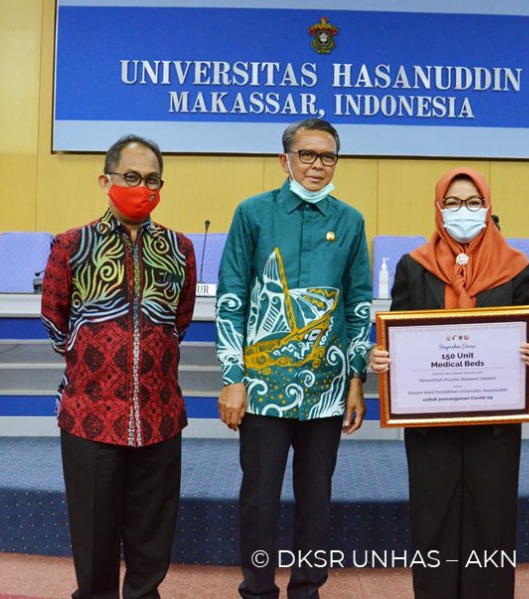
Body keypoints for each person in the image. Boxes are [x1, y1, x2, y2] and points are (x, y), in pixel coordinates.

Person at [369, 168, 529, 599]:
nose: (462, 211)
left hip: (495, 423)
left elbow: (525, 330)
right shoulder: (414, 266)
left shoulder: (514, 267)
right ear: (438, 208)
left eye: (472, 203)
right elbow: (398, 333)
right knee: (433, 518)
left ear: (487, 207)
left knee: (492, 517)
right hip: (431, 423)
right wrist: (382, 357)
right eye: (452, 203)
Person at [216, 117, 373, 599]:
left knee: (316, 501)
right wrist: (233, 376)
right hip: (263, 388)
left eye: (328, 157)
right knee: (259, 500)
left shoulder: (350, 221)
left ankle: (307, 588)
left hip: (326, 391)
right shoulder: (253, 213)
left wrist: (356, 378)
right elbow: (231, 297)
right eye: (307, 155)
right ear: (285, 160)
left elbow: (359, 304)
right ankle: (257, 589)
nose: (317, 165)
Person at [41, 134, 197, 599]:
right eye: (131, 177)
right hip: (90, 415)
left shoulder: (179, 249)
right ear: (105, 180)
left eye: (152, 180)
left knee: (153, 532)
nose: (142, 188)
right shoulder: (71, 245)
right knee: (94, 533)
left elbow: (180, 321)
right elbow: (54, 320)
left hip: (159, 414)